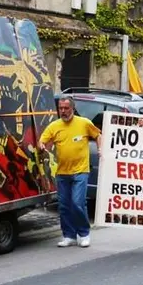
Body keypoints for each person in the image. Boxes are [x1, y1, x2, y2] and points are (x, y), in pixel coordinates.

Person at [39, 96, 102, 248]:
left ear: (72, 109)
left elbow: (98, 135)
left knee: (77, 202)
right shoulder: (54, 126)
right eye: (61, 108)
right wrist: (42, 146)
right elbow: (43, 140)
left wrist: (100, 149)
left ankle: (84, 233)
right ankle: (69, 235)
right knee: (64, 205)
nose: (63, 111)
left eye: (66, 108)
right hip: (62, 172)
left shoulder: (84, 123)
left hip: (81, 170)